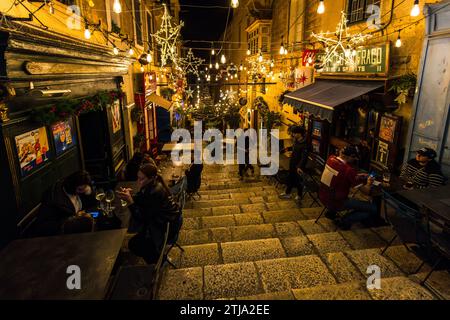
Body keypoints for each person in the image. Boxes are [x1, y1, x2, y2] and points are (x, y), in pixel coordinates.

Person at [116, 164, 181, 264]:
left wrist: (130, 201)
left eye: (141, 179)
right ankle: (156, 257)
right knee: (137, 236)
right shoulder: (153, 184)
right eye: (138, 178)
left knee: (134, 244)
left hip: (165, 228)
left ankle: (157, 261)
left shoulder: (155, 191)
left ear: (151, 178)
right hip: (165, 221)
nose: (138, 181)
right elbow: (144, 198)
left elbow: (141, 217)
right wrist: (131, 196)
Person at [318, 145, 377, 230]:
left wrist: (355, 176)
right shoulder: (348, 170)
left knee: (363, 206)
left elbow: (340, 175)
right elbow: (366, 192)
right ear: (351, 156)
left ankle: (332, 212)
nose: (354, 161)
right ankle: (344, 220)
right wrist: (369, 183)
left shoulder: (331, 159)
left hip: (323, 196)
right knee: (373, 209)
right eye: (354, 158)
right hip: (337, 202)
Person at [30, 170, 95, 237]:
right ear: (73, 185)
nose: (82, 192)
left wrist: (89, 193)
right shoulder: (57, 199)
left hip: (71, 226)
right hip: (56, 233)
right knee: (88, 222)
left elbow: (91, 204)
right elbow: (51, 226)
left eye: (85, 188)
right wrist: (77, 218)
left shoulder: (77, 191)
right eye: (80, 189)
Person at [279, 126, 309, 201]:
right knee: (290, 177)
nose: (293, 134)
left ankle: (299, 195)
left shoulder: (305, 143)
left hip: (298, 164)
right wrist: (286, 149)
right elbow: (293, 147)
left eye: (294, 133)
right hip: (293, 162)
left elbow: (304, 157)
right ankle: (287, 193)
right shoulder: (297, 140)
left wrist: (300, 166)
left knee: (298, 180)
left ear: (300, 133)